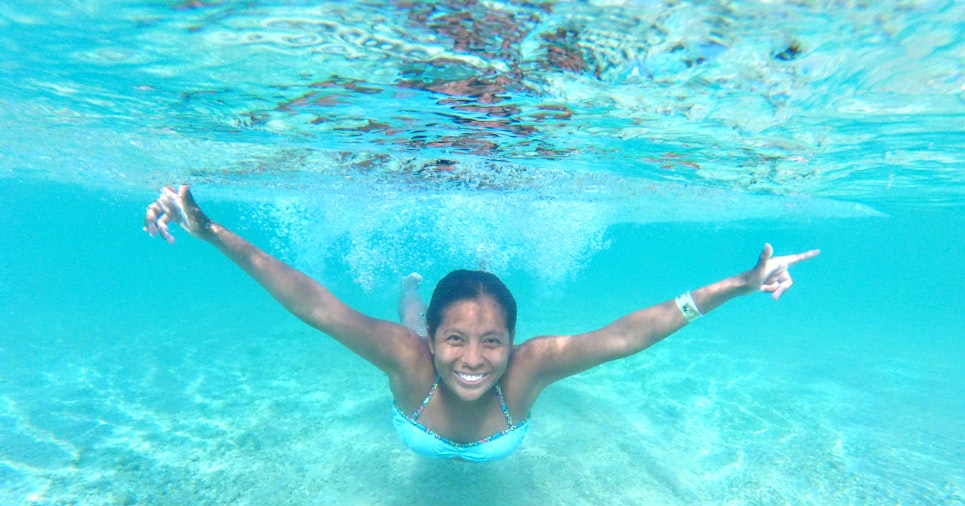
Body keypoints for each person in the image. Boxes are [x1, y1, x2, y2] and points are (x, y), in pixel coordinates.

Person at [145, 185, 819, 462]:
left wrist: (738, 284)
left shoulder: (526, 370)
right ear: (438, 344)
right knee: (407, 319)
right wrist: (209, 232)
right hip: (414, 335)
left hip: (437, 344)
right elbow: (310, 301)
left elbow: (625, 334)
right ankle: (420, 291)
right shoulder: (411, 359)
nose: (473, 360)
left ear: (514, 343)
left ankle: (469, 275)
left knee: (432, 323)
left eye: (492, 341)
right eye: (457, 341)